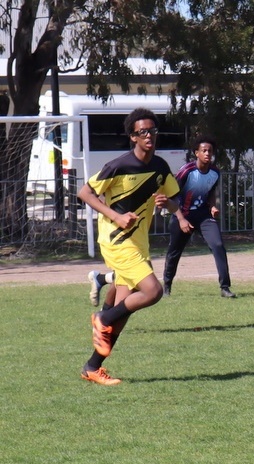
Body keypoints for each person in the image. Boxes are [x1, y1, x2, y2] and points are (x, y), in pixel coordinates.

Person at [77, 108, 184, 386]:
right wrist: (116, 216)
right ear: (133, 136)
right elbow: (84, 192)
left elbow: (175, 203)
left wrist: (167, 205)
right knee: (153, 291)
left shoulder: (160, 167)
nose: (149, 136)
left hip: (138, 244)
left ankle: (92, 367)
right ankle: (102, 317)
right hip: (116, 241)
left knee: (124, 310)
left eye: (153, 130)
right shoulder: (118, 165)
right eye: (142, 132)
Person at [162, 134, 236, 298]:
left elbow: (210, 192)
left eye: (210, 151)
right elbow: (172, 195)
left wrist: (213, 206)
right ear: (196, 153)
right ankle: (166, 287)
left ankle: (225, 287)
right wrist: (181, 219)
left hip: (203, 216)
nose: (208, 154)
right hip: (183, 214)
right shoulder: (187, 171)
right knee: (174, 252)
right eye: (204, 150)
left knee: (217, 245)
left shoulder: (215, 172)